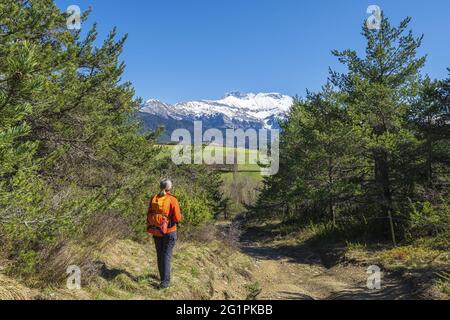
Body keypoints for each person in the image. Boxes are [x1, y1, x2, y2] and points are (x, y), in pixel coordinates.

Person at [147, 179, 182, 289]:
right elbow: (177, 217)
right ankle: (165, 282)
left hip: (156, 230)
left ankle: (163, 279)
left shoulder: (153, 198)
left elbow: (149, 213)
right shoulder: (172, 199)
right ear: (170, 188)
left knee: (160, 254)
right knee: (166, 255)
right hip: (170, 232)